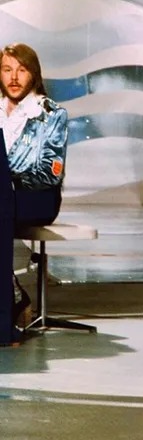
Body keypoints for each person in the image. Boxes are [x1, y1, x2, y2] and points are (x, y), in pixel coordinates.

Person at [0, 43, 68, 345]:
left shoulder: (50, 114)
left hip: (37, 198)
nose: (14, 77)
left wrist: (6, 174)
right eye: (7, 69)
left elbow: (49, 173)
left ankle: (7, 312)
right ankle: (13, 295)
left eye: (22, 70)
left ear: (34, 75)